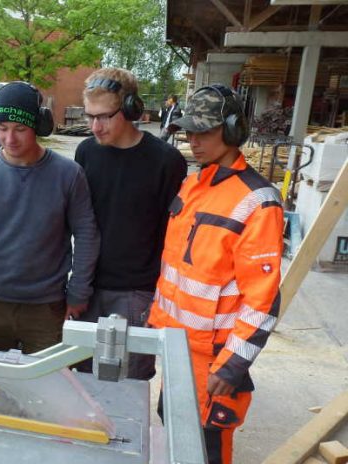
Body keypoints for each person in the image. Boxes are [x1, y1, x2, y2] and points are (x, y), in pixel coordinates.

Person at [147, 84, 283, 464]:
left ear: (234, 130)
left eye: (204, 132)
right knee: (174, 439)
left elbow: (263, 298)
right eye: (190, 131)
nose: (194, 140)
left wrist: (235, 363)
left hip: (214, 360)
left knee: (206, 452)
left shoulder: (257, 201)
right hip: (177, 349)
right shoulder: (194, 184)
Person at [0, 81, 100, 354]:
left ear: (39, 126)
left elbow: (86, 235)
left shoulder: (69, 175)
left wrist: (79, 291)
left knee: (48, 388)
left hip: (48, 307)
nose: (10, 139)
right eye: (2, 129)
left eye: (20, 129)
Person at [75, 68, 187, 380]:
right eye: (89, 117)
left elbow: (172, 237)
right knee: (83, 376)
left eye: (105, 117)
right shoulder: (85, 153)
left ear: (129, 109)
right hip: (89, 287)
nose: (95, 127)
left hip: (138, 292)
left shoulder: (166, 161)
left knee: (130, 380)